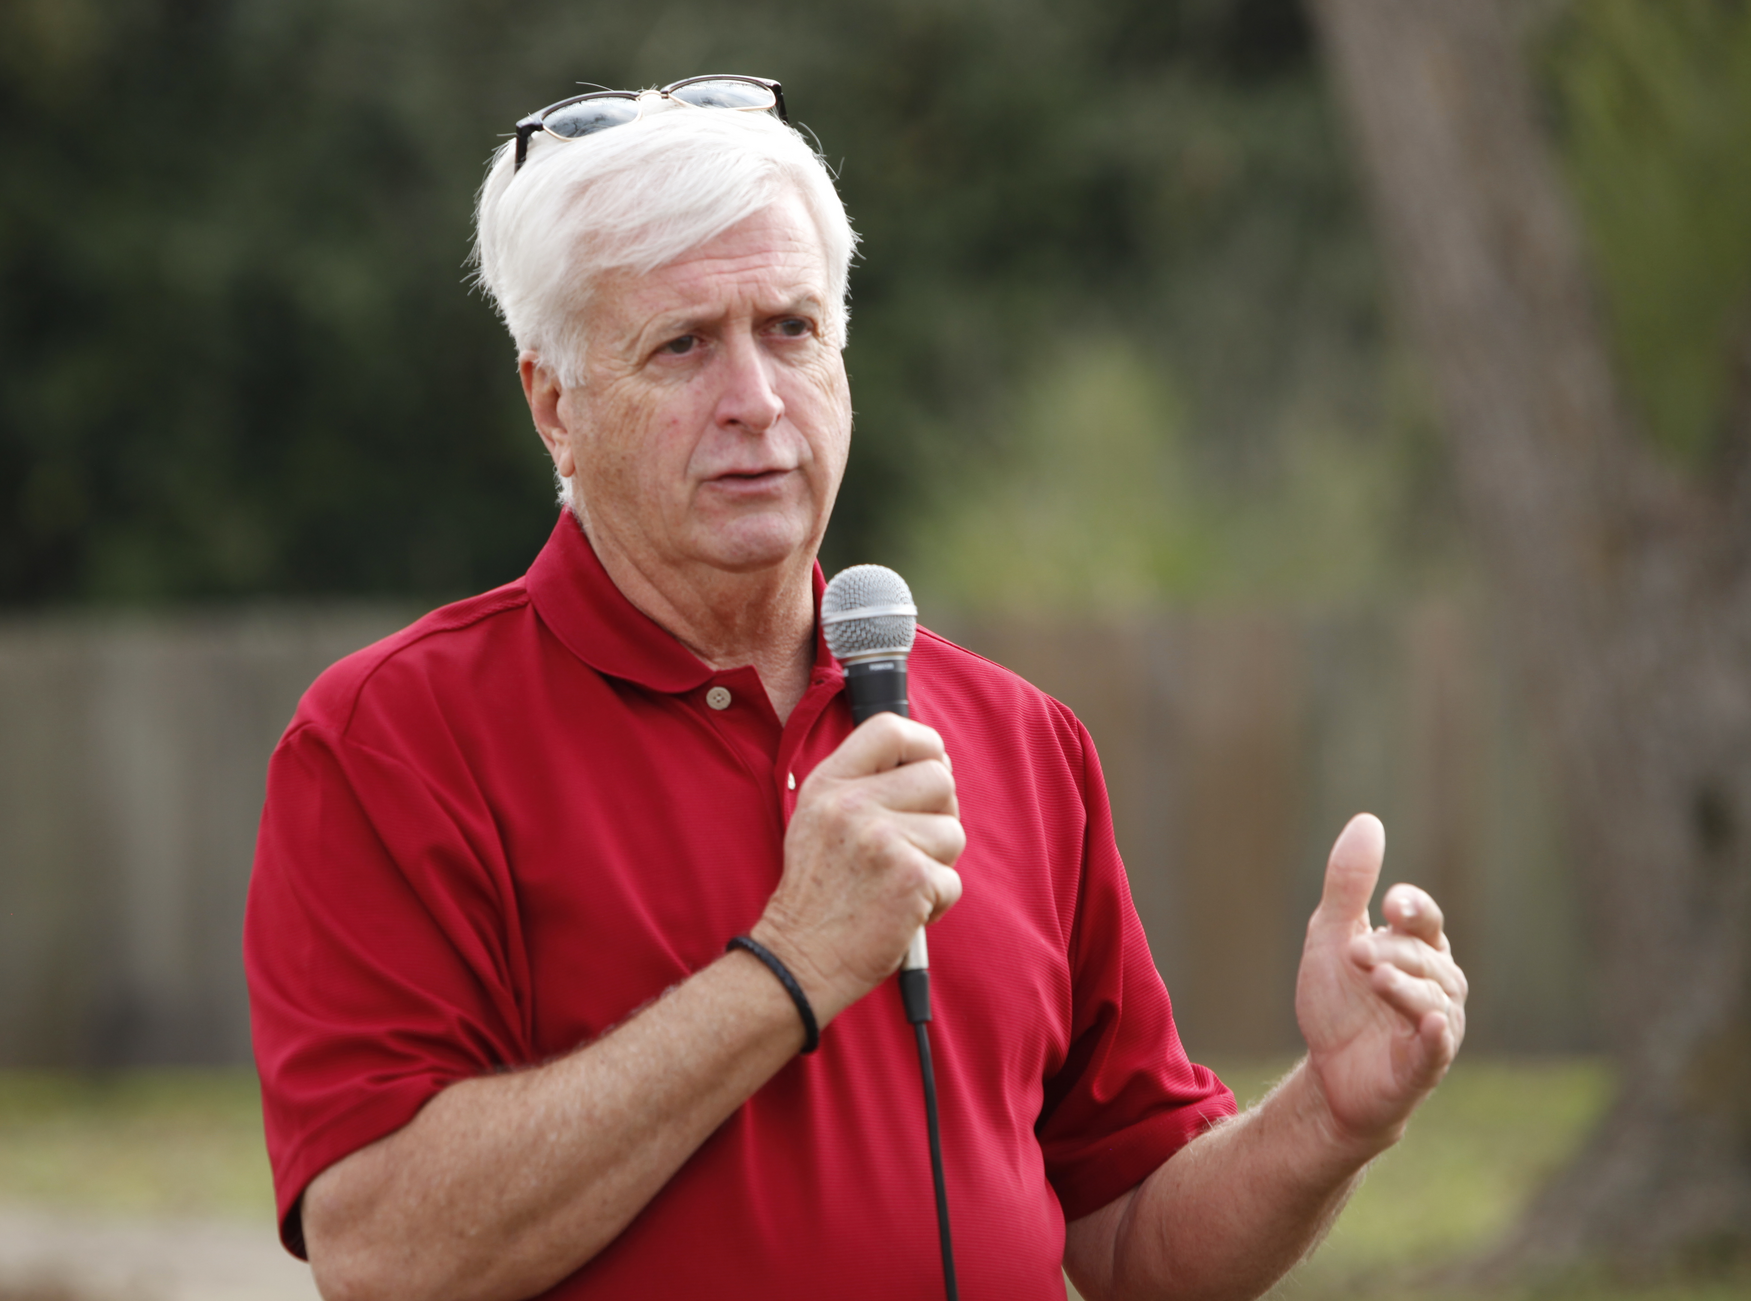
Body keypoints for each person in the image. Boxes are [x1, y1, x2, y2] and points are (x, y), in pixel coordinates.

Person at [243, 76, 1468, 1301]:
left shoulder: (1020, 736)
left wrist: (1331, 1117)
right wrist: (790, 963)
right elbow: (386, 1253)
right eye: (683, 345)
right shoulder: (391, 742)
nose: (756, 400)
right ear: (554, 404)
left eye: (791, 328)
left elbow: (1133, 1238)